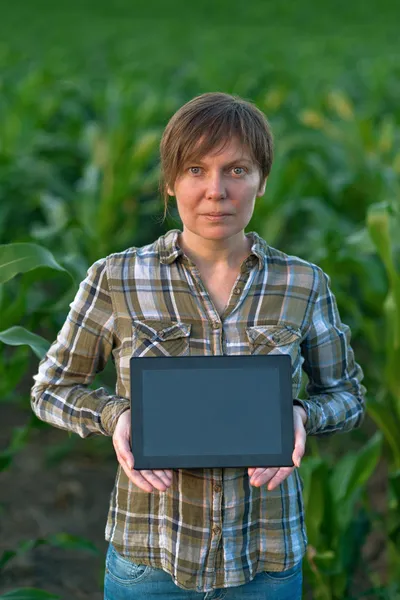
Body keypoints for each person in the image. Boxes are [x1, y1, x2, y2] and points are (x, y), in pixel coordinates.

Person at [31, 92, 366, 600]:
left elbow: (347, 395)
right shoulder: (116, 278)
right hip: (151, 558)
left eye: (237, 170)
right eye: (194, 170)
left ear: (263, 180)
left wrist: (301, 415)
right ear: (170, 181)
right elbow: (51, 388)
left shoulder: (303, 283)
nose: (216, 191)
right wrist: (116, 415)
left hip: (266, 559)